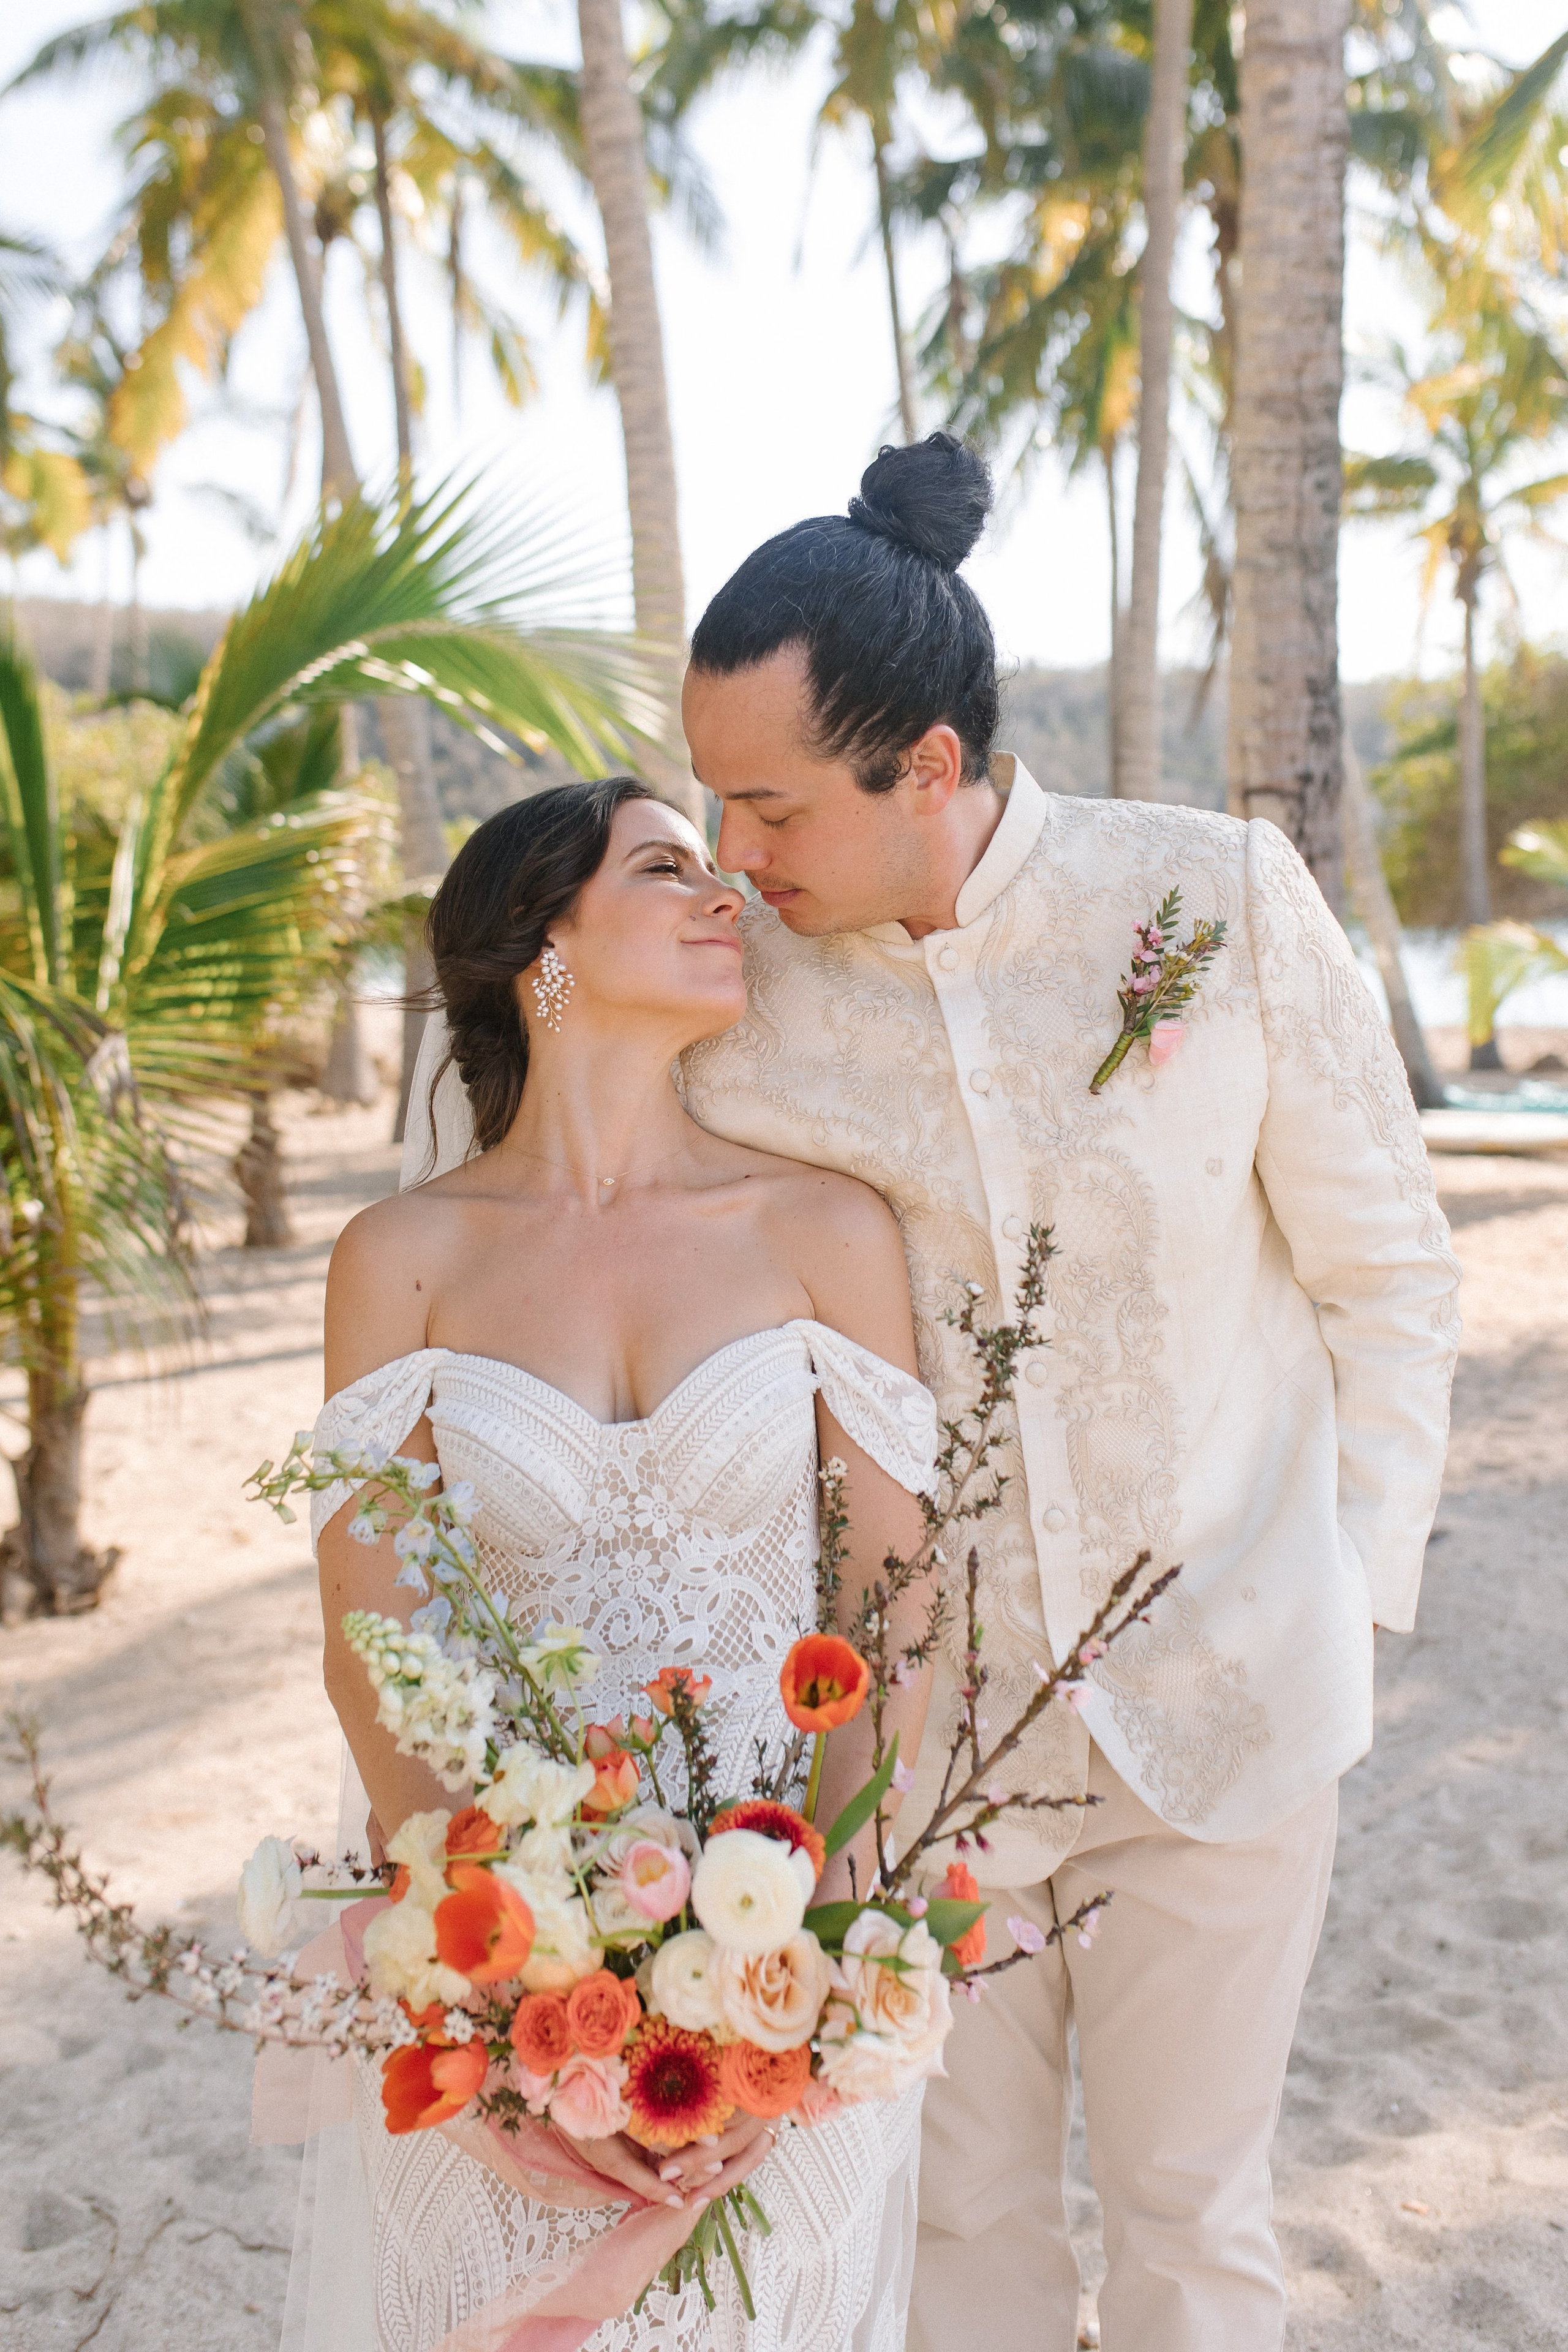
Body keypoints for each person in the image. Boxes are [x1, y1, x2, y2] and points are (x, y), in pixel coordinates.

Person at [405, 435, 1461, 2351]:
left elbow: (1391, 1267)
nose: (735, 857)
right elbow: (571, 1161)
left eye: (771, 806)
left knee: (1192, 2234)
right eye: (710, 809)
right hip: (917, 1772)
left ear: (936, 769)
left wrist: (1351, 1592)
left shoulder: (1211, 901)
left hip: (1232, 1717)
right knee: (954, 2246)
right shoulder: (747, 1003)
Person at [304, 775, 940, 2352]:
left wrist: (818, 1945)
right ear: (545, 943)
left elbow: (887, 1612)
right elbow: (373, 1650)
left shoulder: (823, 1228)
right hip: (504, 1948)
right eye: (667, 867)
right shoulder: (401, 1262)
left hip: (790, 1933)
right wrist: (503, 1999)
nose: (724, 889)